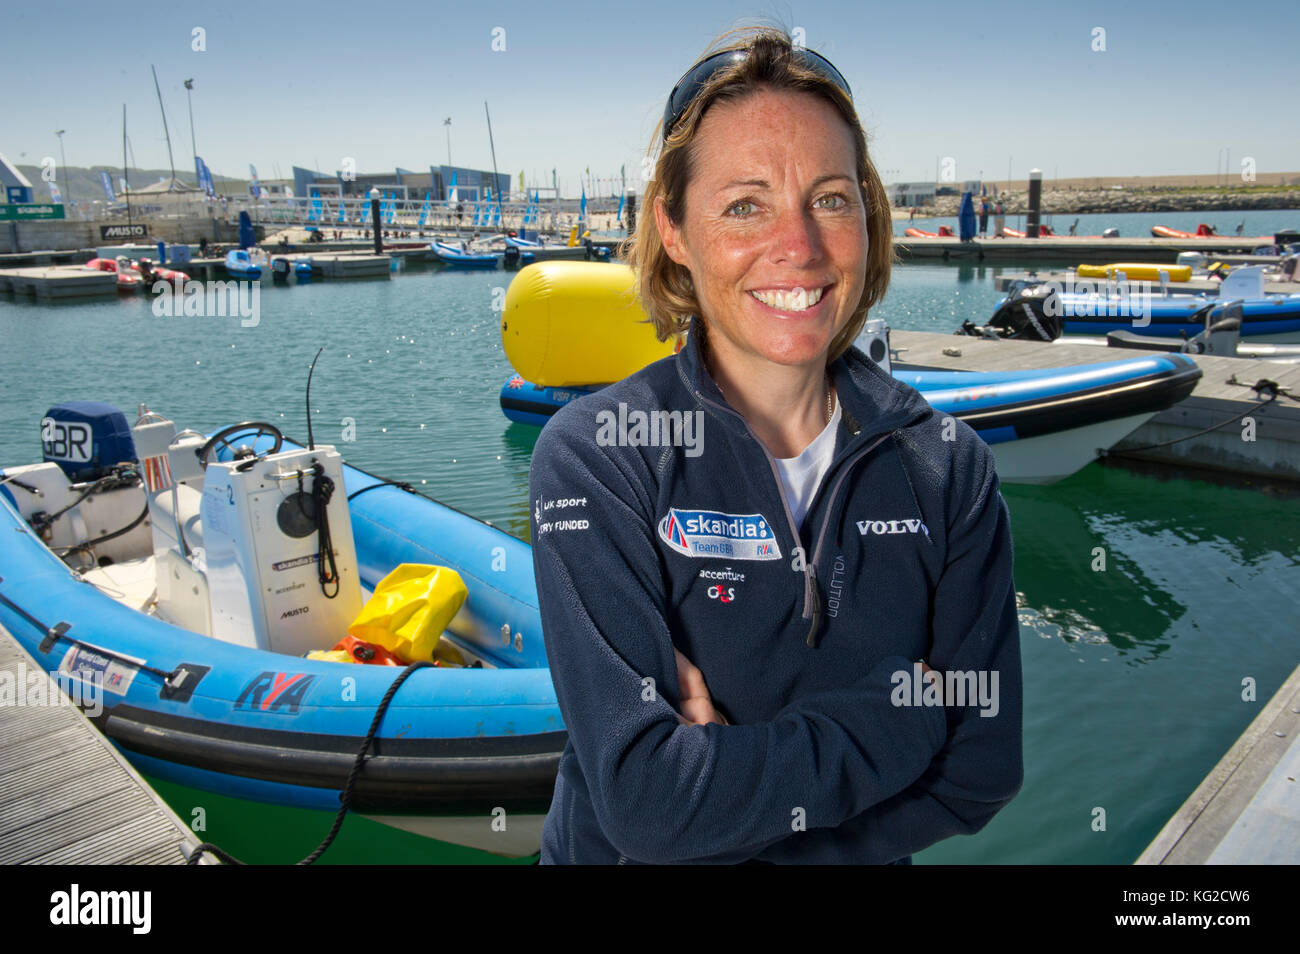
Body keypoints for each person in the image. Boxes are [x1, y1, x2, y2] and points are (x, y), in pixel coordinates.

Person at [529, 28, 1022, 865]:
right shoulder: (597, 458)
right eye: (745, 205)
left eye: (830, 198)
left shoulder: (947, 471)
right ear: (675, 230)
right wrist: (906, 716)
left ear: (869, 218)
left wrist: (728, 800)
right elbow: (648, 804)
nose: (799, 246)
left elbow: (979, 773)